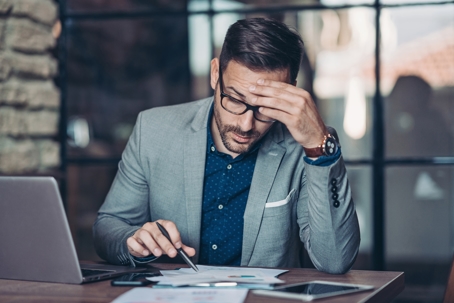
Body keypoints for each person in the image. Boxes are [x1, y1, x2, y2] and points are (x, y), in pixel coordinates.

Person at [93, 18, 360, 274]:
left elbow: (335, 260)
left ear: (290, 93)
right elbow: (108, 228)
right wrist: (135, 240)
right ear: (214, 74)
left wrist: (318, 148)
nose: (246, 124)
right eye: (234, 99)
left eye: (265, 108)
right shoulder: (153, 130)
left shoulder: (308, 145)